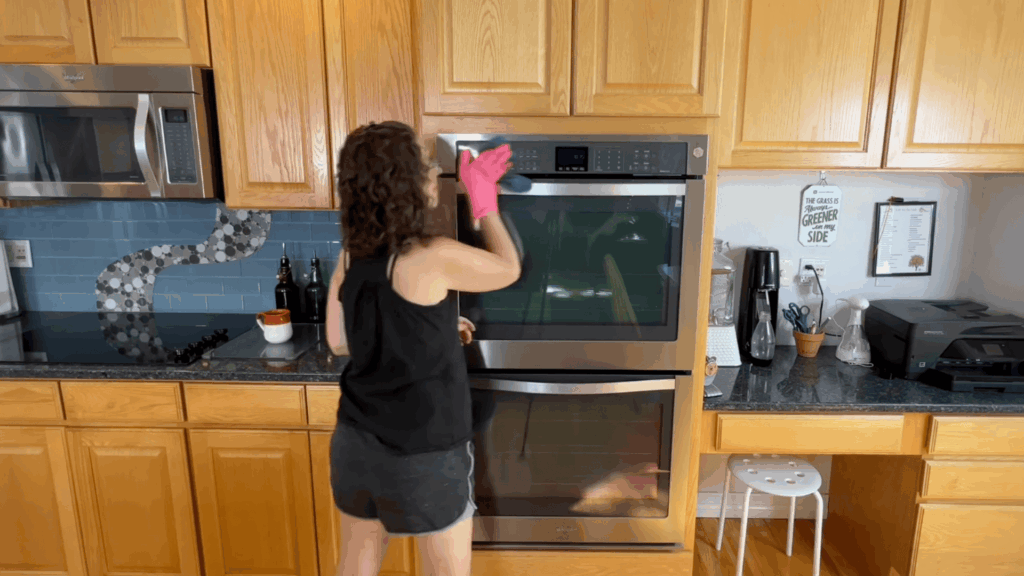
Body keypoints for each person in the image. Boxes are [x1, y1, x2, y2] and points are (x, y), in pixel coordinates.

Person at [324, 121, 521, 576]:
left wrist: (431, 327)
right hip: (425, 451)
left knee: (356, 566)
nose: (435, 174)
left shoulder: (352, 254)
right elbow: (507, 269)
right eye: (427, 166)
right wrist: (483, 197)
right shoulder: (433, 256)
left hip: (355, 442)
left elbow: (340, 339)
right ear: (404, 183)